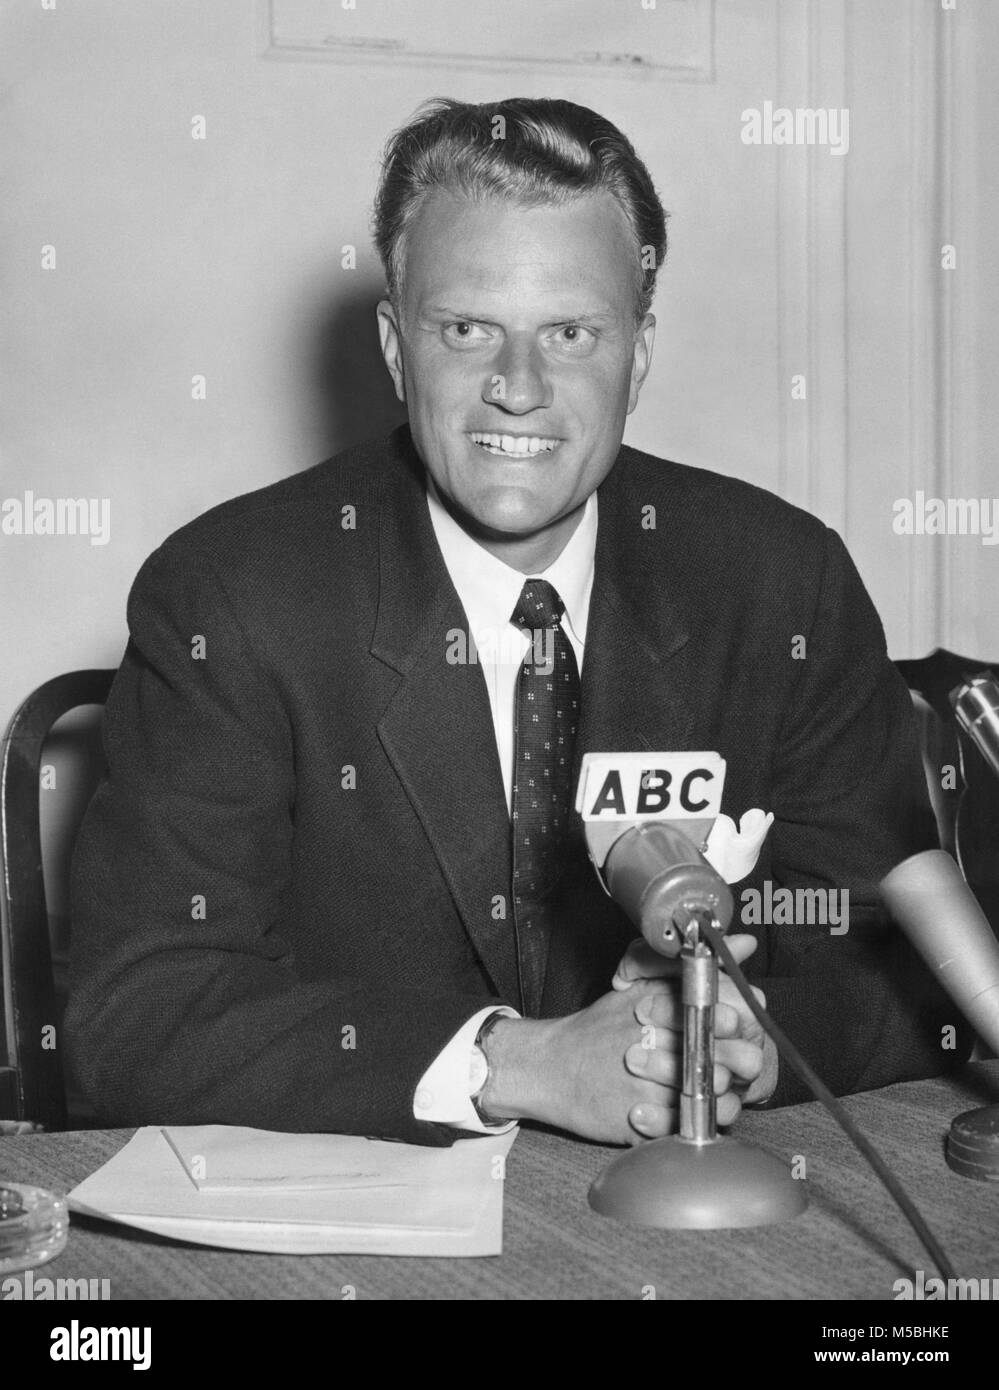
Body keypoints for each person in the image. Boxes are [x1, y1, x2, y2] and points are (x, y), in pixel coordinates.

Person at [66, 98, 966, 1147]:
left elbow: (902, 959)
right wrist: (510, 1060)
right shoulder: (235, 595)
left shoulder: (780, 582)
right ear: (398, 348)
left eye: (572, 333)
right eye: (466, 329)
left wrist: (750, 1036)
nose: (518, 389)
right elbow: (132, 1014)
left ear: (638, 355)